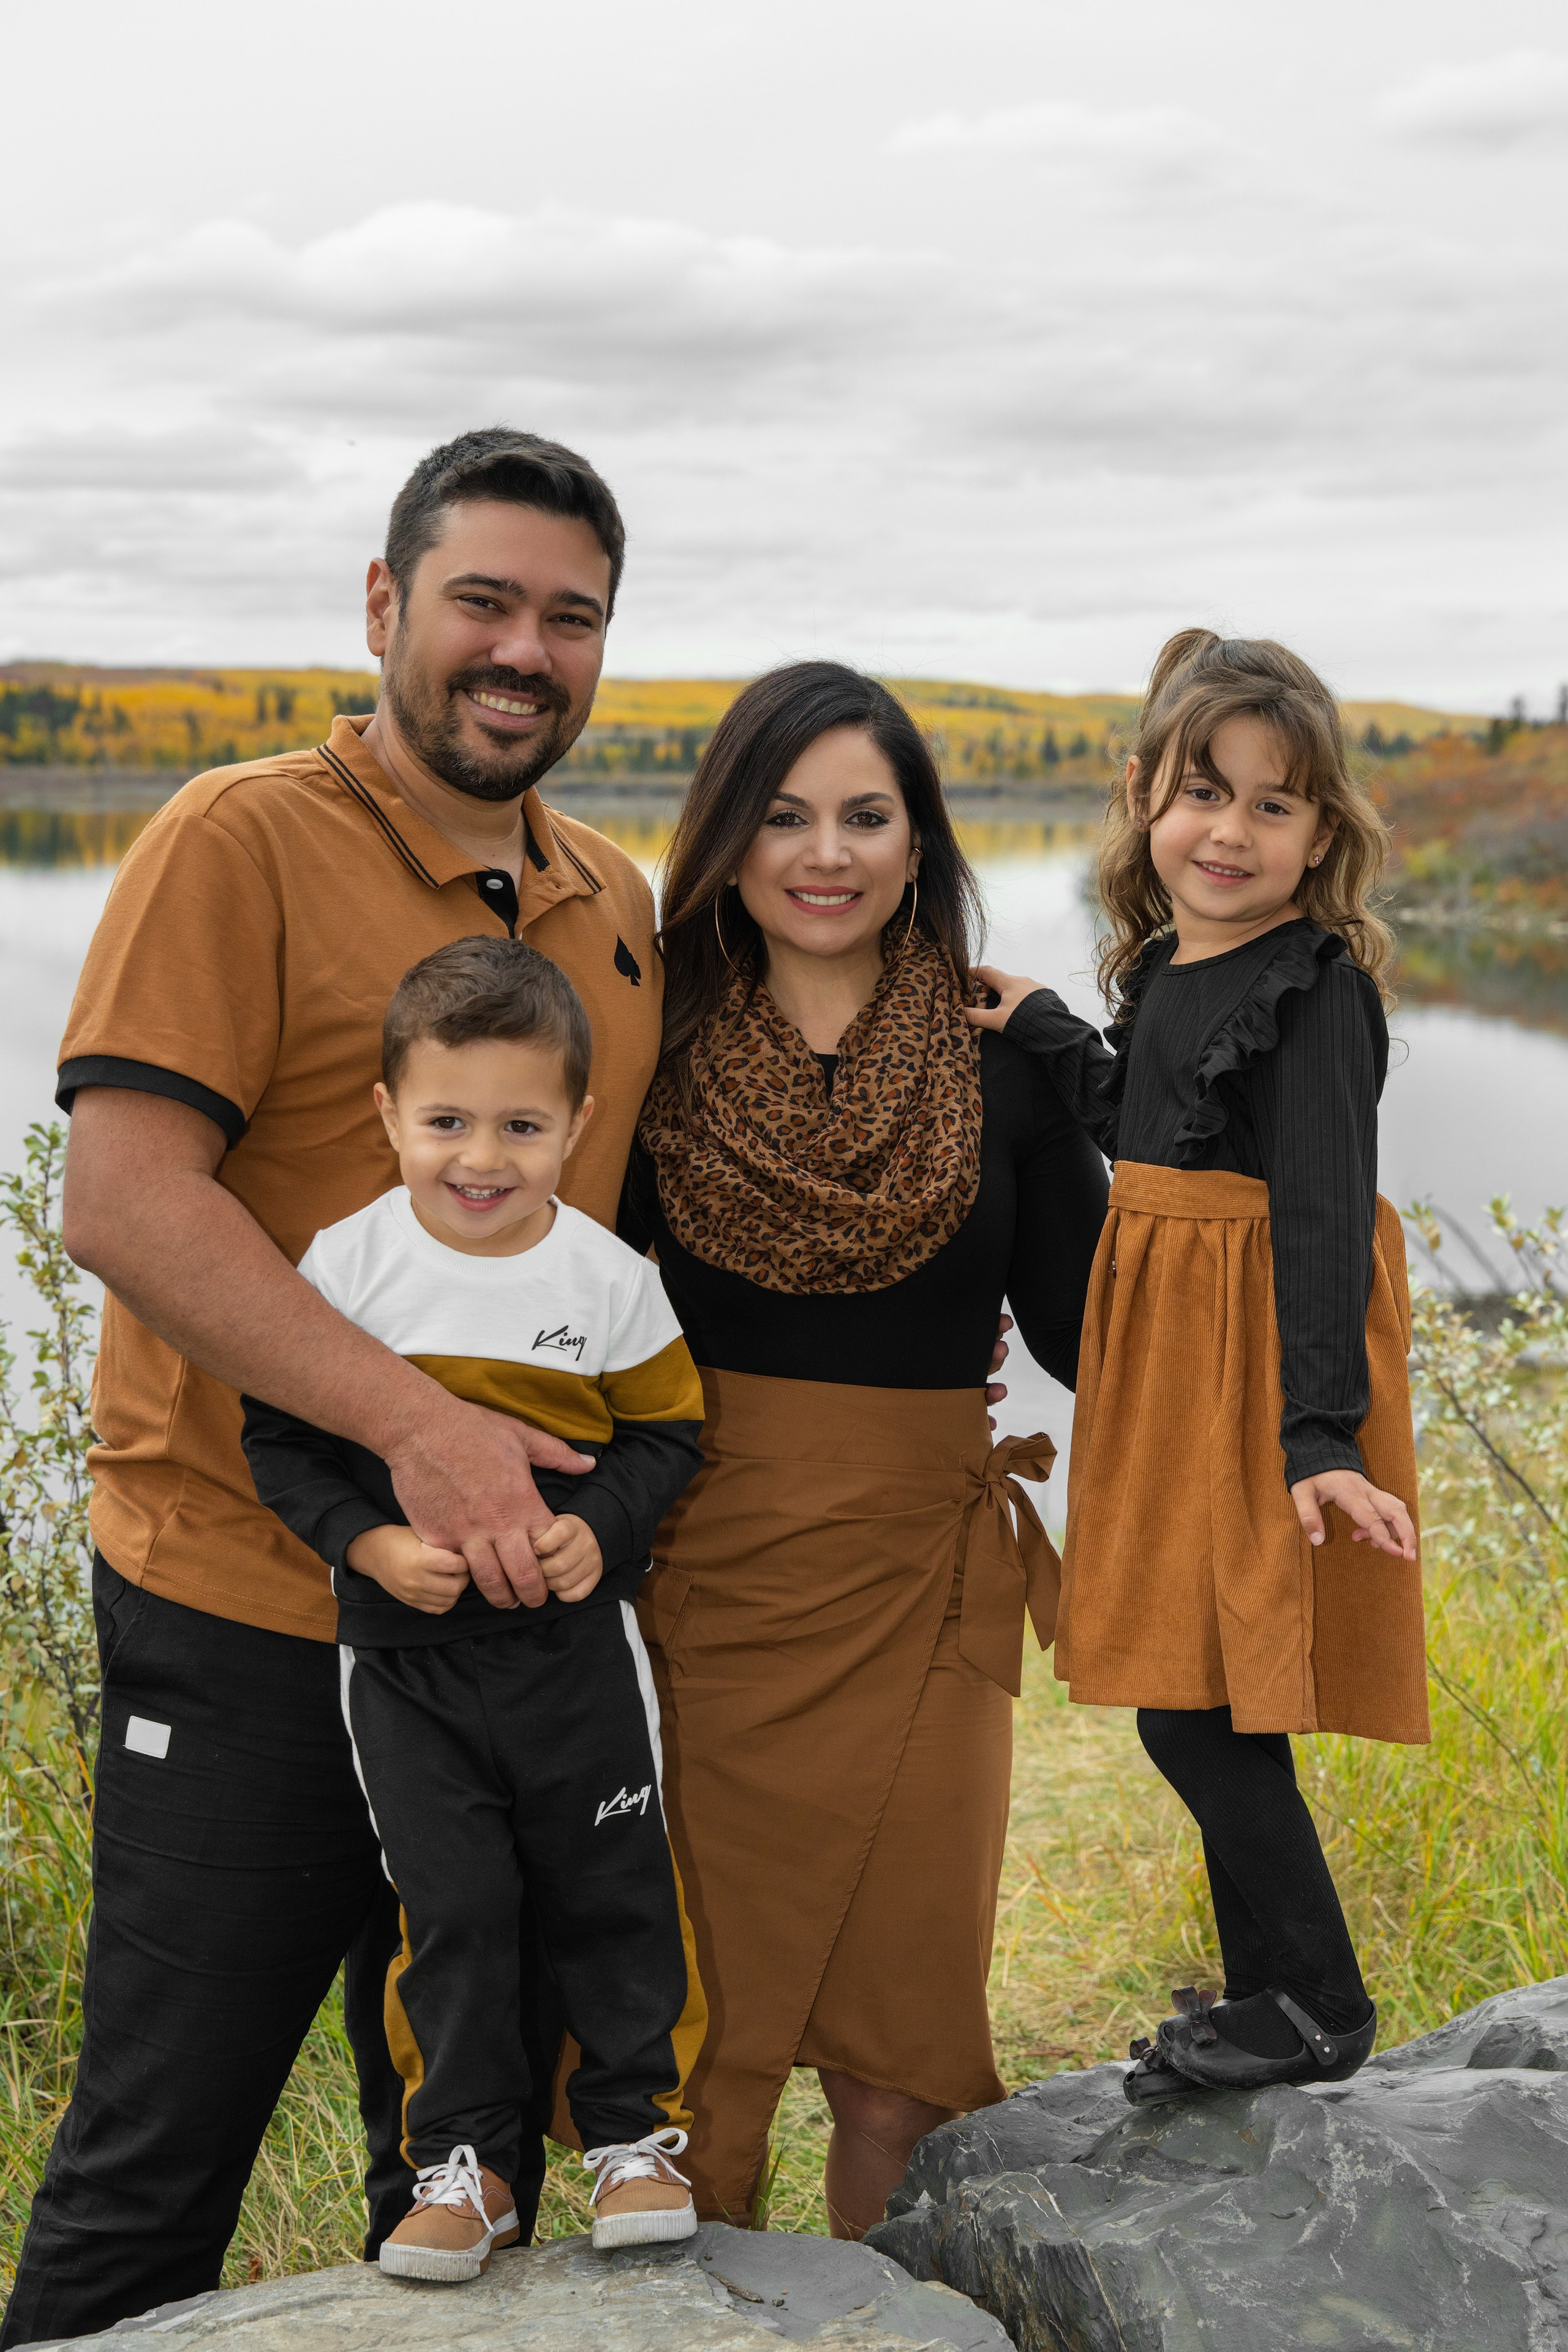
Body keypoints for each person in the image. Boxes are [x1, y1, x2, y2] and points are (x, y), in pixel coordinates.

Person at [3, 429, 666, 2348]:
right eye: (482, 600)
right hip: (251, 1628)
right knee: (157, 2151)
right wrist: (421, 1426)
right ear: (385, 607)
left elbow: (631, 1249)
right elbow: (123, 1200)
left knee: (470, 2172)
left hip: (511, 1654)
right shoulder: (239, 837)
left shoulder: (609, 897)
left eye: (571, 616)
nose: (522, 649)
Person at [622, 661, 1109, 2236]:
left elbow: (1091, 1336)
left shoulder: (1006, 1062)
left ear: (919, 843)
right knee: (709, 2082)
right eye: (781, 816)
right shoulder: (644, 1052)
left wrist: (1149, 1086)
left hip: (922, 1587)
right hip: (699, 1586)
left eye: (863, 815)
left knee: (906, 2069)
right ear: (723, 840)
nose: (822, 854)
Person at [970, 628, 1426, 2103]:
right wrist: (1045, 1033)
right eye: (1199, 792)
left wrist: (1316, 1434)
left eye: (1270, 804)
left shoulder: (1315, 988)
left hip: (1254, 1366)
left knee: (1193, 1701)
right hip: (1172, 1358)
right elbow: (1149, 1127)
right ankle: (1268, 1995)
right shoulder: (1171, 965)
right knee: (1204, 1686)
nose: (1227, 830)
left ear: (1319, 837)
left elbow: (1311, 1220)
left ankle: (1319, 1998)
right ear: (1143, 803)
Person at [241, 937, 707, 2277]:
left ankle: (633, 2137)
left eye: (520, 1125)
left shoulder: (607, 1278)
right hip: (404, 1671)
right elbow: (278, 1442)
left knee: (612, 1888)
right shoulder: (344, 1268)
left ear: (577, 1123)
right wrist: (372, 1544)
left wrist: (594, 1538)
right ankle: (468, 2166)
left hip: (575, 1662)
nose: (480, 1159)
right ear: (386, 1114)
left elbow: (667, 1439)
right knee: (446, 1912)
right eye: (444, 1122)